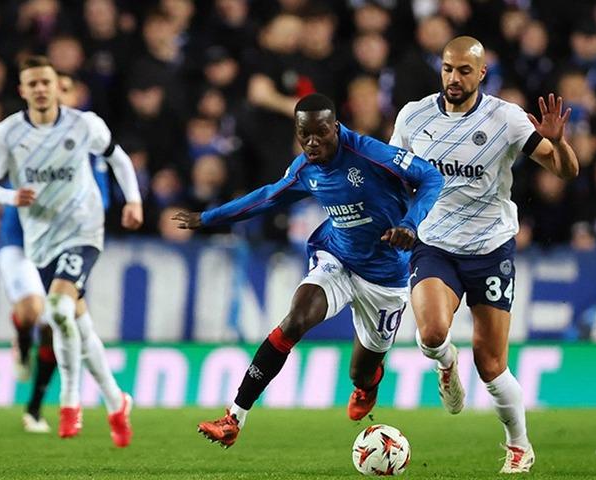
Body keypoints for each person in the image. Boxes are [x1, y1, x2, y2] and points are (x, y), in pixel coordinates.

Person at [175, 93, 443, 449]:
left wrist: (410, 223)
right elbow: (266, 197)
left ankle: (368, 385)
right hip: (337, 258)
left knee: (361, 373)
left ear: (336, 127)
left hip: (385, 276)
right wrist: (208, 217)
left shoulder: (370, 153)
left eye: (320, 133)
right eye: (305, 136)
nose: (312, 143)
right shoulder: (305, 169)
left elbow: (431, 178)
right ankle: (234, 417)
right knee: (295, 320)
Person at [389, 36, 579, 474]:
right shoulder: (413, 117)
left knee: (492, 365)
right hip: (434, 242)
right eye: (448, 69)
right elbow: (394, 174)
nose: (454, 79)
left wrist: (559, 143)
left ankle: (519, 444)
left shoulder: (506, 119)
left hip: (491, 248)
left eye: (464, 71)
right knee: (433, 333)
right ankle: (445, 363)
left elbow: (566, 172)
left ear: (481, 74)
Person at [0, 56, 143, 447]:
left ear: (58, 86)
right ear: (22, 90)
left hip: (83, 232)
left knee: (57, 310)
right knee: (78, 327)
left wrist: (132, 200)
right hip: (39, 241)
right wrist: (8, 197)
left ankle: (69, 402)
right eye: (31, 83)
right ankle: (117, 401)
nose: (40, 89)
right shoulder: (8, 133)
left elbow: (117, 157)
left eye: (45, 82)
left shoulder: (84, 125)